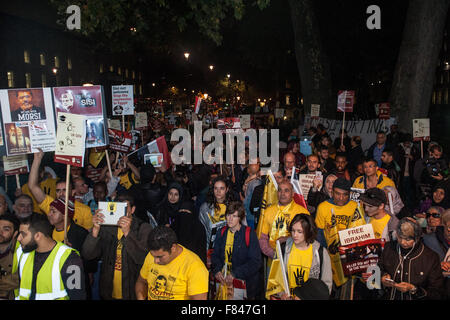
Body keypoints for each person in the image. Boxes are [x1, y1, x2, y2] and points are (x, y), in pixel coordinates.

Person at [82, 191, 152, 300]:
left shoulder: (143, 228)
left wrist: (128, 233)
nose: (121, 213)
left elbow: (142, 258)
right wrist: (95, 230)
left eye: (124, 208)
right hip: (108, 291)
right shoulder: (107, 227)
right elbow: (88, 254)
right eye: (118, 208)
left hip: (132, 292)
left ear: (132, 210)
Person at [16, 213, 86, 300]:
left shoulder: (69, 258)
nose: (18, 238)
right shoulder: (23, 253)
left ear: (38, 235)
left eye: (23, 234)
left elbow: (78, 296)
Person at [315, 178, 365, 296]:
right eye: (337, 194)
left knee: (347, 292)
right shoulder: (323, 207)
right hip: (329, 256)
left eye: (345, 195)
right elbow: (319, 234)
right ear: (332, 192)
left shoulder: (355, 207)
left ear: (350, 194)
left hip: (349, 257)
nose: (341, 198)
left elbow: (360, 231)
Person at [378, 217, 445, 300]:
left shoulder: (430, 257)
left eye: (408, 239)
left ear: (417, 238)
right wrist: (383, 276)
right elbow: (379, 268)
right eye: (400, 237)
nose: (403, 242)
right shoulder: (389, 248)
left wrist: (413, 289)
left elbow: (437, 292)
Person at [135, 226, 209, 300]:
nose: (155, 261)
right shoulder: (153, 255)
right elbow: (141, 282)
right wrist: (140, 297)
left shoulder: (195, 268)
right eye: (153, 256)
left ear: (173, 248)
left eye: (160, 257)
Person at [27, 150, 93, 231]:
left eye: (65, 190)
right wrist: (37, 159)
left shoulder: (85, 210)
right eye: (58, 191)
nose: (61, 193)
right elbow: (32, 186)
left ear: (73, 192)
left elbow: (88, 235)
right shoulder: (52, 205)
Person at [211, 202, 262, 300]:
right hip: (222, 282)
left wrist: (235, 273)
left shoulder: (249, 234)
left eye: (234, 216)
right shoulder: (221, 232)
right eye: (228, 215)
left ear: (240, 218)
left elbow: (255, 262)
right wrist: (217, 270)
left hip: (242, 285)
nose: (230, 219)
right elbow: (215, 255)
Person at [278, 214, 332, 299]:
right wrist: (281, 294)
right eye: (293, 230)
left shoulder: (320, 252)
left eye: (299, 232)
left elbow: (326, 286)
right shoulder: (284, 249)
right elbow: (276, 278)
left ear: (308, 231)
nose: (295, 235)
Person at [259, 179, 310, 260]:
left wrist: (287, 239)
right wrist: (272, 253)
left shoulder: (302, 212)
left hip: (296, 258)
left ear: (293, 193)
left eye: (286, 190)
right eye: (280, 190)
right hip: (272, 258)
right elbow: (262, 237)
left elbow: (308, 237)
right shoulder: (268, 211)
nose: (282, 194)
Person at [199, 176, 234, 259]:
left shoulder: (233, 207)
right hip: (211, 250)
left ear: (227, 189)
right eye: (216, 188)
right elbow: (201, 231)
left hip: (230, 248)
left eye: (222, 188)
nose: (218, 191)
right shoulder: (205, 208)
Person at [0, 214, 20, 299]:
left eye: (6, 229)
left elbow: (18, 279)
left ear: (15, 233)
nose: (0, 232)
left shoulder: (21, 250)